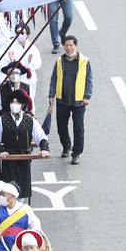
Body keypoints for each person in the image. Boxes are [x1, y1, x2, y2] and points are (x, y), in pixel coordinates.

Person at [0, 89, 49, 199]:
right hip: (8, 156)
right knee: (8, 187)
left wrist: (44, 149)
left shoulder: (30, 120)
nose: (14, 105)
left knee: (22, 186)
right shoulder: (2, 120)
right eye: (13, 102)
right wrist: (1, 151)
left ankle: (20, 209)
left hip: (24, 156)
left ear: (22, 105)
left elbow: (41, 137)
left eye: (17, 103)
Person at [48, 36, 92, 165]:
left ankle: (76, 153)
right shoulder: (59, 61)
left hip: (79, 102)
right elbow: (53, 80)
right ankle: (66, 146)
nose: (68, 48)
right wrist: (51, 96)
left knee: (78, 128)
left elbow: (89, 81)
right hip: (62, 100)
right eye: (66, 45)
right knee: (61, 126)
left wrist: (87, 97)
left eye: (71, 45)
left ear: (76, 46)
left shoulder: (84, 61)